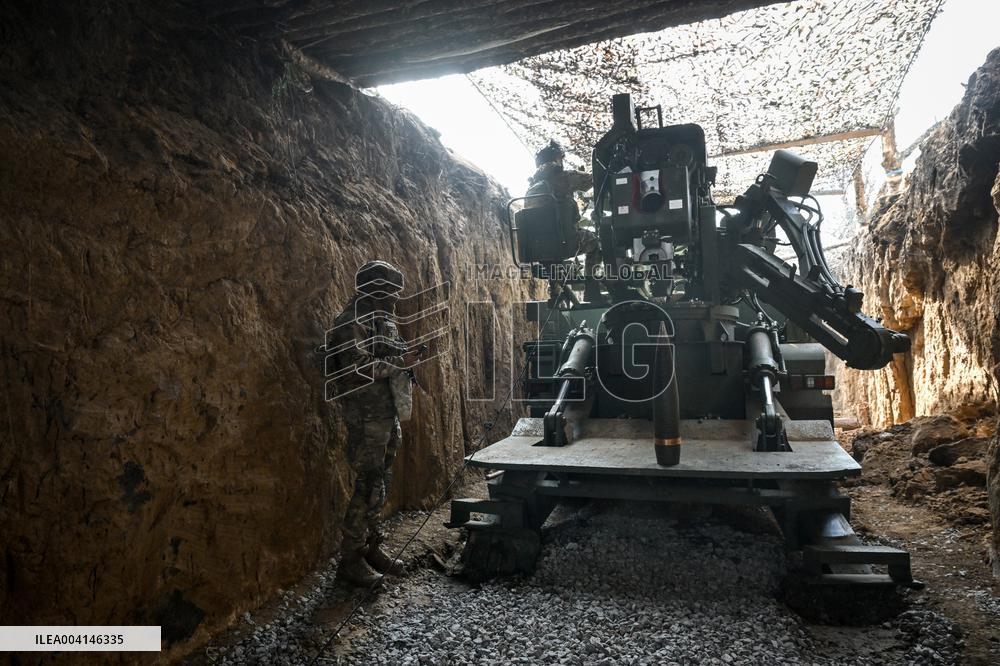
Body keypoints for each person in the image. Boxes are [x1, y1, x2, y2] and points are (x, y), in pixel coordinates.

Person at [327, 260, 423, 586]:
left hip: (386, 413)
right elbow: (356, 368)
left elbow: (394, 354)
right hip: (366, 417)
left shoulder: (384, 320)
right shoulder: (350, 322)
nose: (395, 299)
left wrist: (406, 361)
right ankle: (350, 561)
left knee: (380, 480)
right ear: (373, 289)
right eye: (390, 292)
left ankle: (370, 547)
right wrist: (399, 362)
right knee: (367, 484)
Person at [526, 140, 603, 301]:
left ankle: (556, 292)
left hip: (538, 248)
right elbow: (595, 178)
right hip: (566, 242)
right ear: (556, 159)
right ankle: (591, 286)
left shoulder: (531, 188)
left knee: (552, 257)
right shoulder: (563, 177)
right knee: (595, 243)